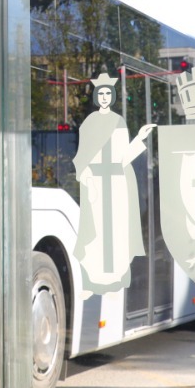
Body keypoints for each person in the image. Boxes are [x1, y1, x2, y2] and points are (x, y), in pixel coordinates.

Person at [72, 71, 155, 293]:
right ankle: (94, 278)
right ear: (97, 96)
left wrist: (139, 138)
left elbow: (123, 157)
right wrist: (86, 176)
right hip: (97, 186)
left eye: (108, 93)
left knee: (117, 231)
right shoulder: (89, 123)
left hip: (116, 185)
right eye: (101, 93)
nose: (105, 97)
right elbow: (82, 156)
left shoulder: (119, 122)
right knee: (97, 232)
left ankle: (116, 277)